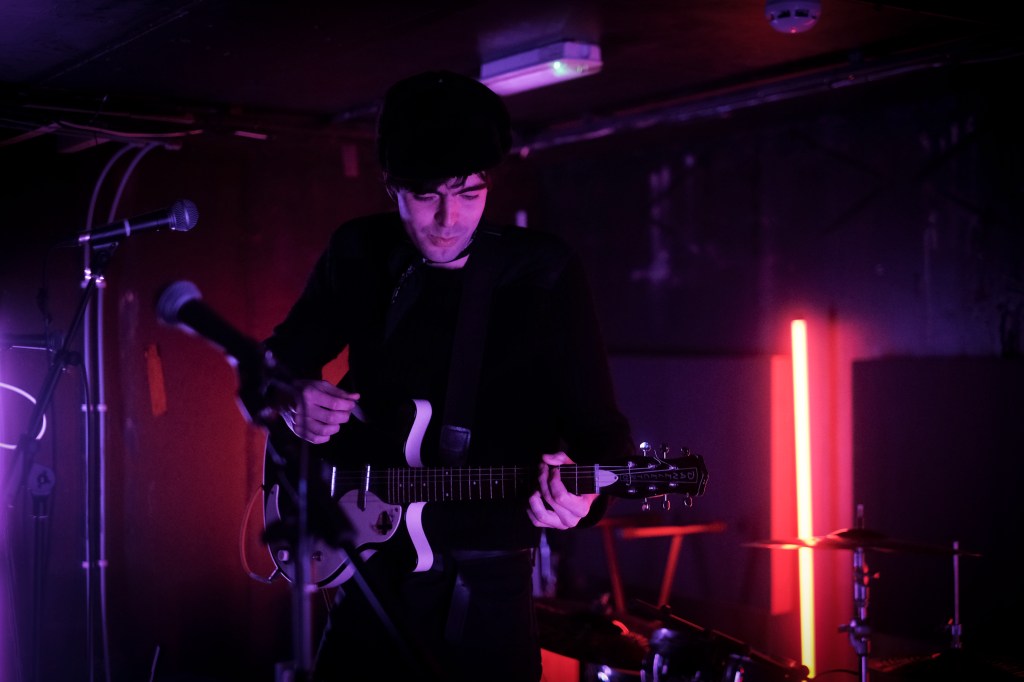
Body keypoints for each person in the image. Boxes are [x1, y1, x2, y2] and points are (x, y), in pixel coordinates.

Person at [263, 70, 635, 682]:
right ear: (390, 186)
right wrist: (291, 396)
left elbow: (602, 434)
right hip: (369, 573)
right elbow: (279, 359)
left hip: (487, 585)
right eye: (425, 195)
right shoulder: (360, 251)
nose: (448, 218)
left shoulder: (542, 272)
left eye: (469, 193)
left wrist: (582, 501)